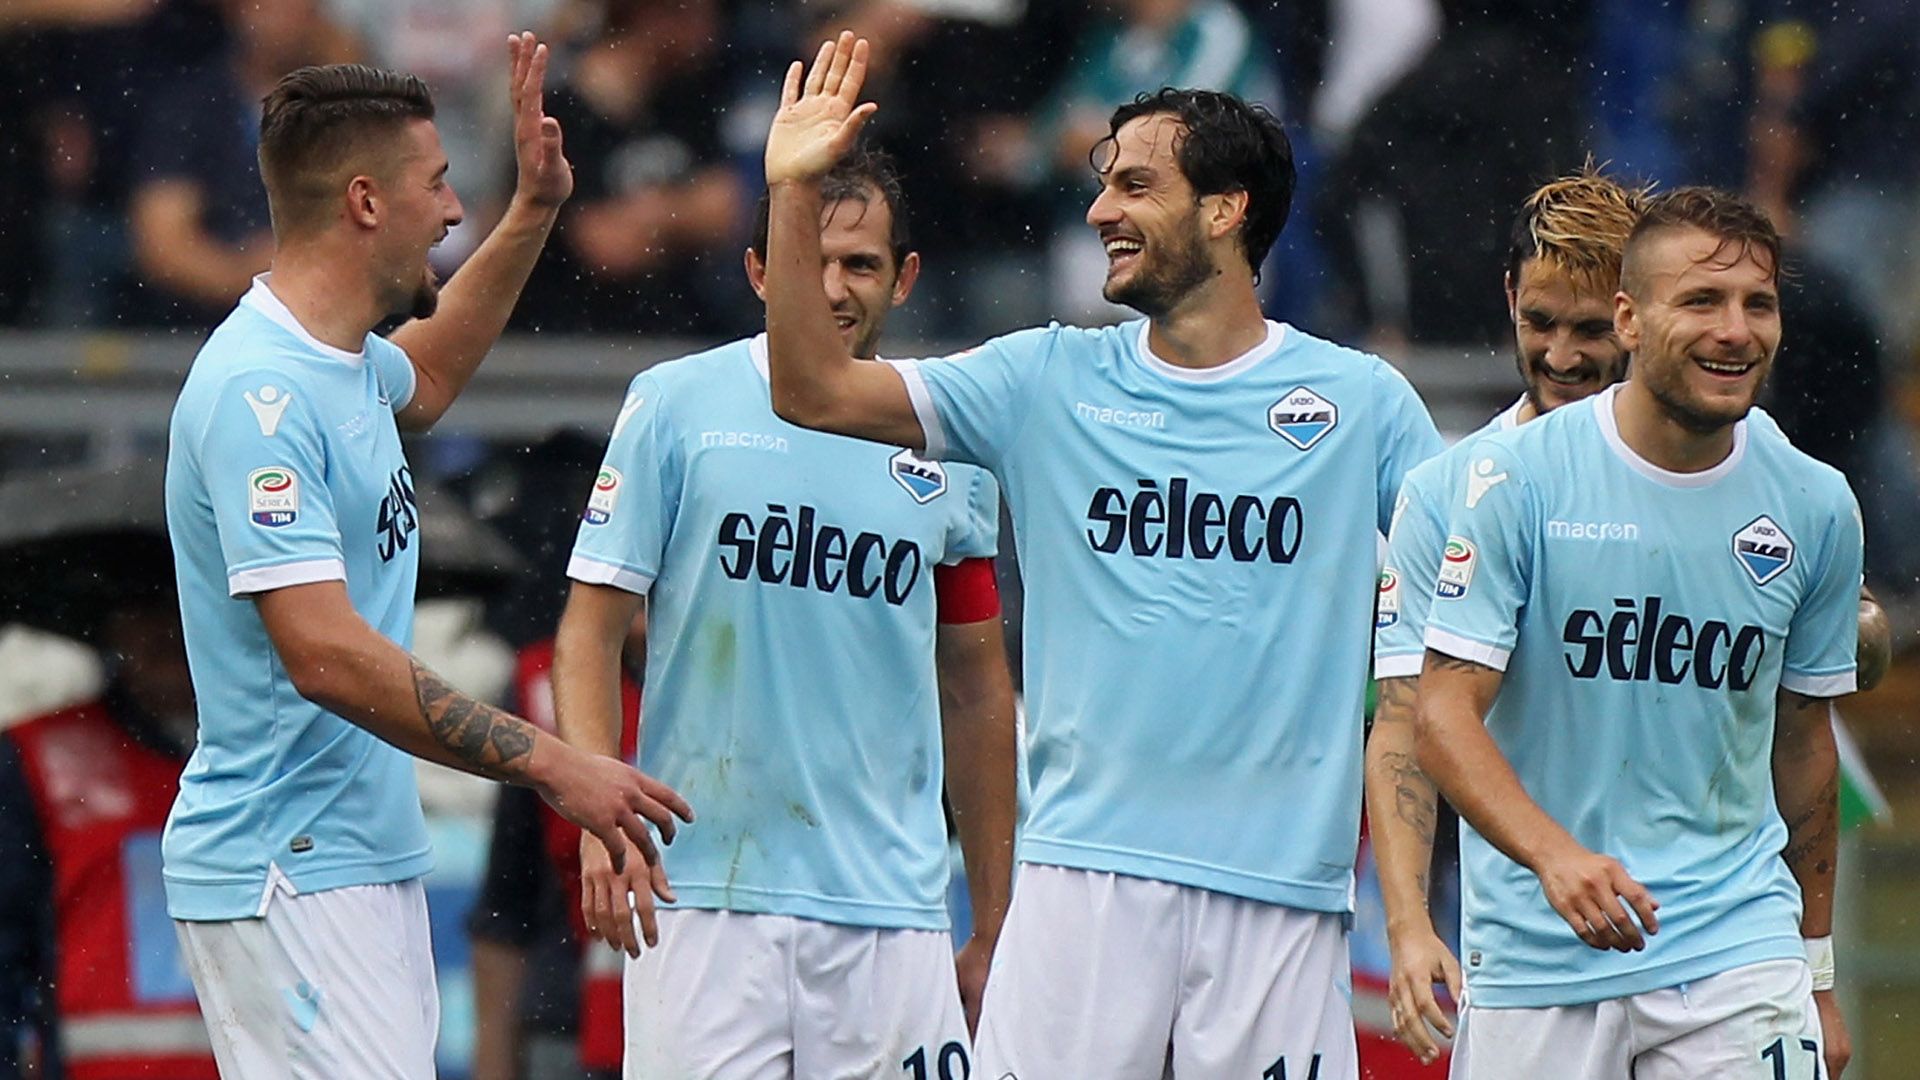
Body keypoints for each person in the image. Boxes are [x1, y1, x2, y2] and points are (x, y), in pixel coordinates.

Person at [761, 35, 1442, 1077]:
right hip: (1081, 879)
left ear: (1225, 210)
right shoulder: (1043, 377)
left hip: (1280, 891)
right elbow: (810, 387)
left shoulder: (1364, 406)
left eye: (1134, 184)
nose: (1099, 211)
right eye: (1101, 184)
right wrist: (796, 192)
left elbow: (1460, 623)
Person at [160, 39, 690, 1078]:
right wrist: (554, 766)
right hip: (287, 868)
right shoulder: (257, 399)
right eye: (439, 185)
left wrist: (534, 209)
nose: (454, 213)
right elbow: (324, 654)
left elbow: (434, 374)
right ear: (365, 201)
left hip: (355, 858)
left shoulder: (344, 363)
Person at [1370, 173, 1894, 1069]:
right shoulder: (1464, 489)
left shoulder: (1797, 491)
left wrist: (1814, 974)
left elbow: (1809, 710)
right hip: (1536, 959)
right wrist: (1411, 924)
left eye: (1585, 328)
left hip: (1733, 947)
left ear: (1627, 316)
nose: (1565, 356)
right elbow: (1409, 719)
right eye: (1542, 324)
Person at [553, 144, 1019, 1078]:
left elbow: (974, 686)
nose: (836, 288)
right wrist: (600, 819)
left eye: (862, 265)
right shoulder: (675, 404)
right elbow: (590, 628)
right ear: (760, 271)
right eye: (811, 262)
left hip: (893, 911)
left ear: (906, 278)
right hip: (706, 899)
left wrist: (995, 918)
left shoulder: (952, 443)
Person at [0, 589, 215, 1079]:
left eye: (188, 602)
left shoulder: (295, 755)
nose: (167, 630)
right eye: (145, 605)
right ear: (108, 628)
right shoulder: (36, 760)